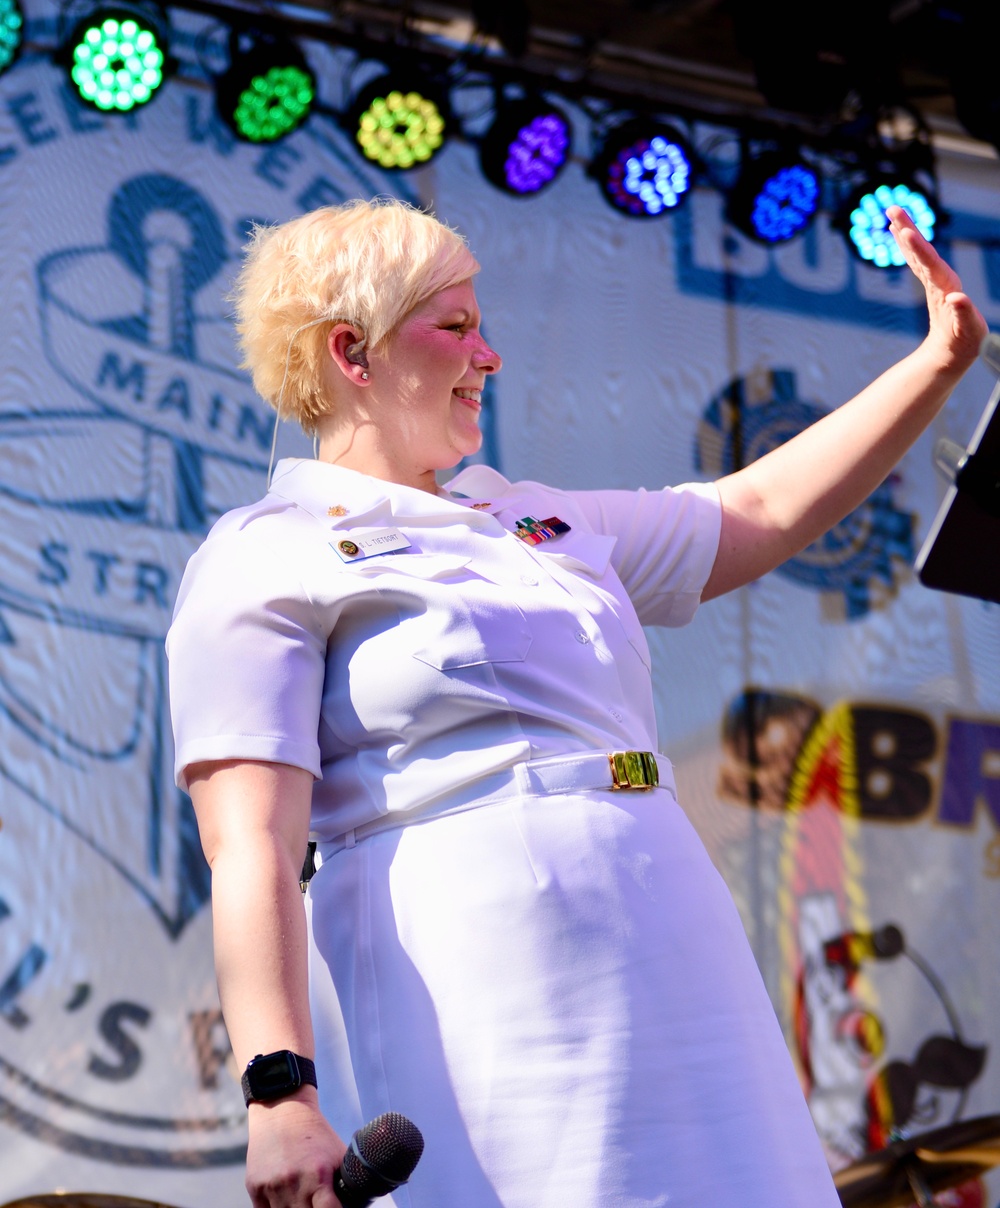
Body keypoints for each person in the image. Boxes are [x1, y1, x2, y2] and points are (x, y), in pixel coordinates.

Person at [166, 196, 986, 1208]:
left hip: (665, 902)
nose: (489, 354)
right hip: (474, 941)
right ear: (353, 352)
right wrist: (278, 1089)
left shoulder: (534, 516)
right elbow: (247, 841)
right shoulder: (264, 550)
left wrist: (936, 362)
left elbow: (760, 508)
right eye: (456, 325)